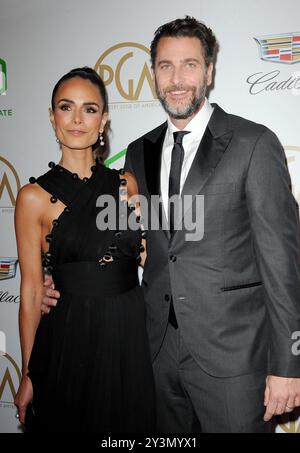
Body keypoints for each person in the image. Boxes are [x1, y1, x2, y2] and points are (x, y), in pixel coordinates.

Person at [42, 17, 300, 433]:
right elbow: (119, 246)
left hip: (233, 359)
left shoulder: (253, 144)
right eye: (165, 66)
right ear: (152, 74)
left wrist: (289, 364)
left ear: (210, 71)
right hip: (153, 356)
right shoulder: (137, 154)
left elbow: (283, 265)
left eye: (190, 65)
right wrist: (59, 286)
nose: (177, 79)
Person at [14, 67, 156, 432]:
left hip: (128, 330)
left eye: (90, 109)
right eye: (66, 107)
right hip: (69, 335)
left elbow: (149, 257)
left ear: (103, 120)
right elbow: (31, 289)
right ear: (51, 116)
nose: (77, 119)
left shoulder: (127, 183)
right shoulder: (32, 198)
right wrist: (30, 372)